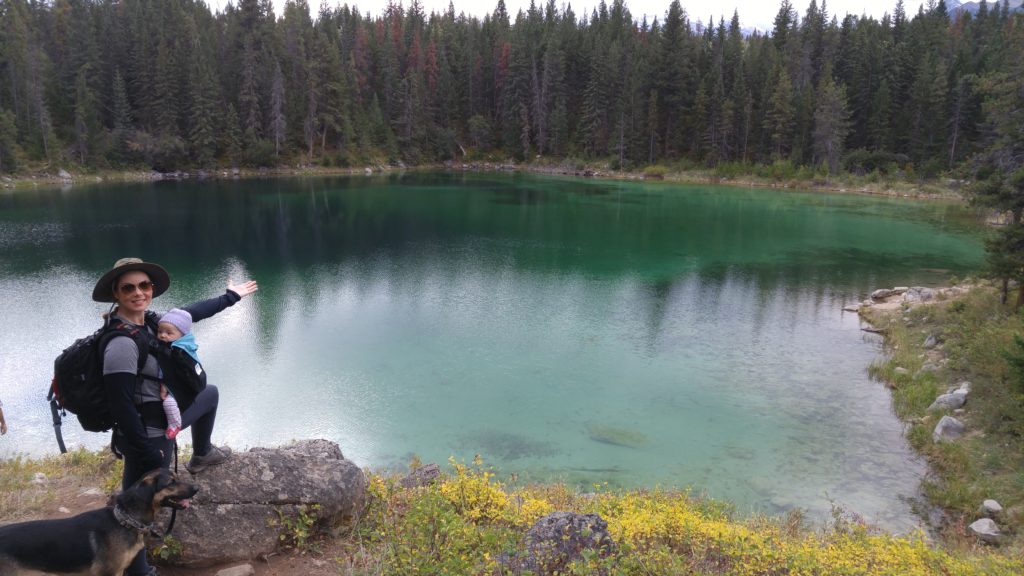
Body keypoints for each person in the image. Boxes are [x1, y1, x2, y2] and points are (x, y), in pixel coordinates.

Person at [93, 257, 257, 576]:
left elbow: (191, 313)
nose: (139, 292)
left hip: (160, 422)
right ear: (116, 292)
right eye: (129, 287)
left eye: (145, 285)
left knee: (209, 394)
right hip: (147, 434)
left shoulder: (151, 322)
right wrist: (145, 450)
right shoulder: (122, 343)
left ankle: (203, 453)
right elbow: (121, 404)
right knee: (135, 507)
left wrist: (231, 296)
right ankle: (136, 571)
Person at [155, 308, 198, 440]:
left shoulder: (178, 351)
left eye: (169, 333)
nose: (163, 335)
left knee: (169, 403)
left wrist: (165, 384)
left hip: (181, 386)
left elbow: (172, 371)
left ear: (182, 335)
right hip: (181, 383)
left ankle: (175, 424)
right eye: (160, 331)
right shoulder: (172, 345)